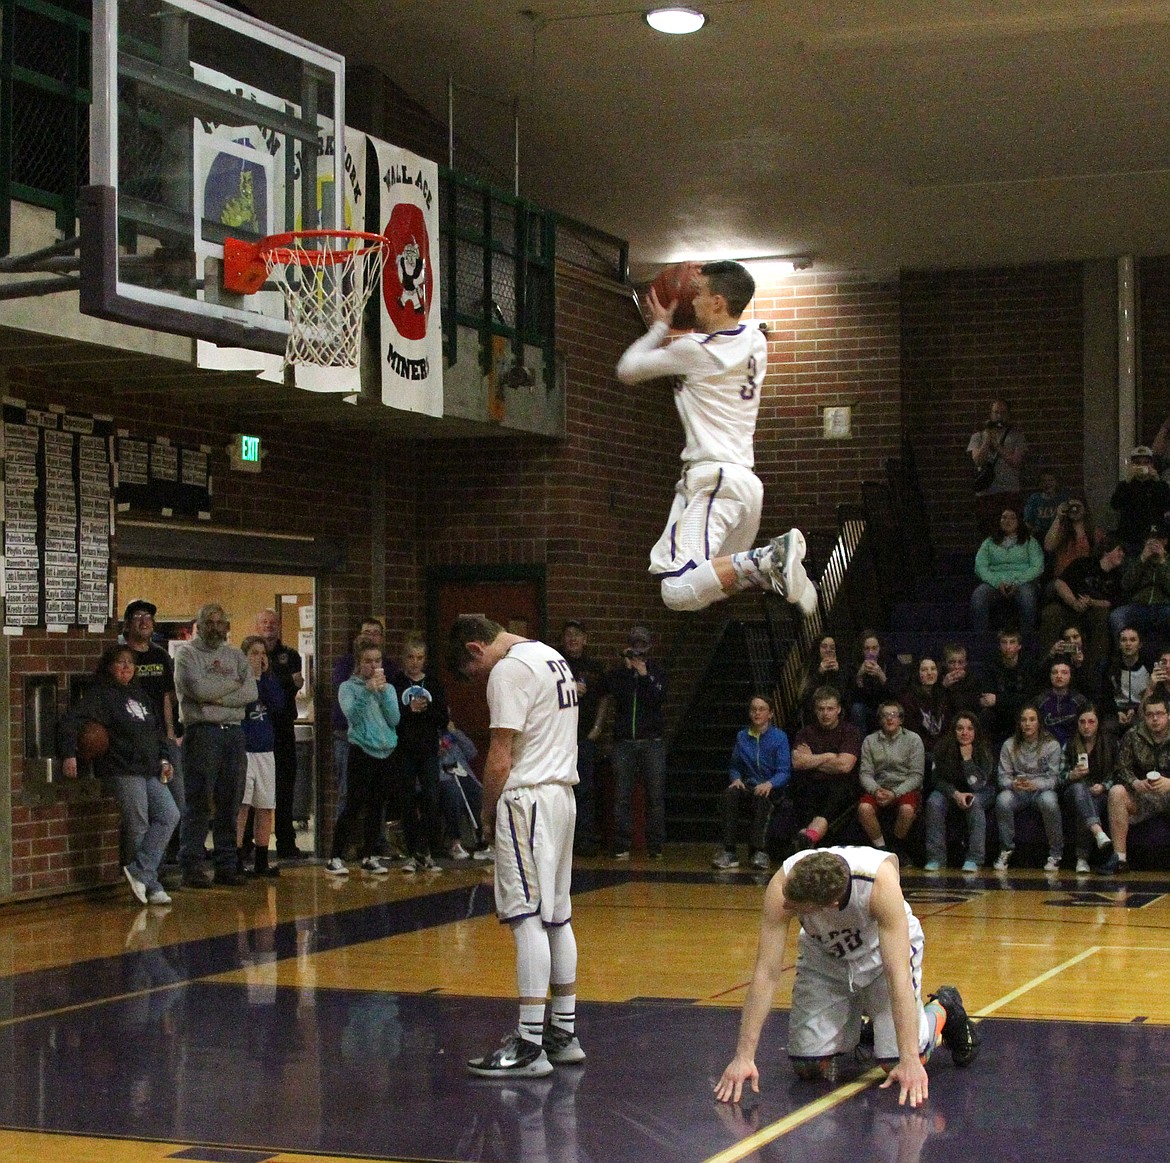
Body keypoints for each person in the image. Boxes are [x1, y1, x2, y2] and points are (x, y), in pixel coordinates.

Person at [614, 260, 816, 616]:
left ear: (718, 302)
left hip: (714, 479)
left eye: (699, 293)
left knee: (676, 590)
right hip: (746, 487)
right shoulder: (755, 340)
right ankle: (777, 573)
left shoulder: (695, 352)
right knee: (709, 587)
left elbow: (627, 370)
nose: (691, 300)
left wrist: (660, 326)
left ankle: (770, 558)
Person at [713, 847, 979, 1108]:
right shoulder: (785, 883)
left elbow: (897, 975)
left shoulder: (879, 885)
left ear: (832, 905)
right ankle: (864, 1028)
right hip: (825, 955)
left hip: (880, 954)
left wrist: (909, 1058)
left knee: (899, 1062)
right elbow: (766, 973)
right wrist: (743, 1056)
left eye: (795, 906)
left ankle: (943, 1009)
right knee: (809, 1066)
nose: (785, 905)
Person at [448, 614, 583, 1078]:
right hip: (562, 795)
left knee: (525, 917)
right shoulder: (553, 656)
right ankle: (562, 1031)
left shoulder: (509, 668)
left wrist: (487, 813)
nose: (481, 680)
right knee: (557, 915)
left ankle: (528, 1044)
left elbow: (500, 756)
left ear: (475, 649)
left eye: (474, 673)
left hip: (527, 799)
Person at [60, 645, 178, 905]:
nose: (126, 667)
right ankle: (151, 884)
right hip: (122, 768)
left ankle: (140, 872)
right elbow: (71, 721)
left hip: (149, 767)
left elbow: (156, 731)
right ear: (109, 667)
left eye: (130, 663)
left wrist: (164, 758)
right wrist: (69, 753)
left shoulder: (142, 695)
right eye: (120, 662)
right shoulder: (100, 696)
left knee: (170, 814)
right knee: (138, 824)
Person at [174, 604, 257, 888]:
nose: (215, 627)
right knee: (198, 802)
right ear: (198, 624)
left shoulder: (235, 655)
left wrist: (217, 699)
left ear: (227, 627)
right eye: (209, 622)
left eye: (220, 622)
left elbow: (251, 692)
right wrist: (230, 686)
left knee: (230, 802)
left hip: (233, 734)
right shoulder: (187, 654)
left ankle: (226, 865)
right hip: (202, 733)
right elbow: (198, 690)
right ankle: (192, 866)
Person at [325, 636, 400, 876]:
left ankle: (369, 855)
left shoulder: (387, 688)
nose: (374, 666)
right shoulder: (347, 688)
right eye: (368, 661)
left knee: (377, 805)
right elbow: (352, 717)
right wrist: (367, 692)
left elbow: (394, 719)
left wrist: (383, 693)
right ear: (359, 662)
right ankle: (335, 856)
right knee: (354, 803)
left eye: (378, 661)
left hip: (385, 750)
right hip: (361, 749)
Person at [119, 598, 184, 871]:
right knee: (141, 814)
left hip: (163, 740)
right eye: (138, 617)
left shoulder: (160, 656)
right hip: (135, 743)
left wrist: (172, 735)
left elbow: (168, 698)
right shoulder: (121, 658)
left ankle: (157, 863)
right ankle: (142, 870)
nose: (144, 621)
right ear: (128, 624)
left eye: (148, 616)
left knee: (176, 806)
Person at [604, 625, 668, 859]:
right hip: (624, 743)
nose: (638, 649)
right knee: (622, 795)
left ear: (649, 647)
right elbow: (611, 692)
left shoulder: (657, 672)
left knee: (655, 795)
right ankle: (622, 844)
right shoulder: (620, 674)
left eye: (642, 645)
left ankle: (655, 845)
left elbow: (659, 698)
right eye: (635, 645)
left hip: (652, 741)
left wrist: (644, 676)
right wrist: (627, 670)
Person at [389, 633, 449, 872]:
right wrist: (408, 709)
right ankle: (413, 851)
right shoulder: (397, 684)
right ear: (405, 659)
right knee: (406, 800)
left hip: (427, 750)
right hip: (404, 750)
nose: (415, 662)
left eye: (420, 657)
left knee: (431, 798)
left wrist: (426, 708)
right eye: (411, 657)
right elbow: (391, 717)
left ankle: (425, 849)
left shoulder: (433, 684)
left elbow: (443, 718)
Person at [712, 695, 791, 871]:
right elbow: (735, 766)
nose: (757, 713)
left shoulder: (779, 737)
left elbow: (784, 771)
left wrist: (770, 783)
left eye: (762, 709)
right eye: (754, 709)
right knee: (730, 794)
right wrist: (736, 779)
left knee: (763, 799)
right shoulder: (742, 736)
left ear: (770, 713)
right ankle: (729, 850)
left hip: (771, 786)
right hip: (749, 784)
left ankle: (759, 851)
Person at [255, 609, 305, 862]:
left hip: (284, 727)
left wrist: (276, 680)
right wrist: (286, 681)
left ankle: (286, 843)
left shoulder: (291, 655)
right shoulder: (250, 653)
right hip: (258, 728)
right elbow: (288, 682)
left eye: (273, 623)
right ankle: (249, 845)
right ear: (257, 626)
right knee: (254, 790)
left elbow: (297, 682)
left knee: (285, 786)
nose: (269, 626)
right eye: (264, 622)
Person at [1102, 694, 1170, 875]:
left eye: (1160, 714)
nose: (1155, 719)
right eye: (1150, 715)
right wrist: (1135, 782)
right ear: (1144, 716)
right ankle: (1120, 858)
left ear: (1168, 715)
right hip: (1144, 794)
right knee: (1116, 792)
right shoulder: (1133, 735)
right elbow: (1121, 768)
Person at [789, 687, 863, 851]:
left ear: (838, 709)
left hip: (841, 785)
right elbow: (798, 762)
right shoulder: (805, 732)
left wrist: (812, 759)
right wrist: (829, 756)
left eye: (830, 709)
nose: (825, 713)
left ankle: (807, 839)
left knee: (835, 795)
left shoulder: (850, 732)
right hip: (811, 784)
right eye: (821, 709)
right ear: (815, 711)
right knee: (803, 789)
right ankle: (807, 838)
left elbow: (844, 766)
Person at [1038, 538, 1126, 675]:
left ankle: (1093, 670)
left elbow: (1111, 602)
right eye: (1119, 550)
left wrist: (1091, 602)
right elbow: (1059, 583)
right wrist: (1074, 602)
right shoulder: (1083, 563)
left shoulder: (1117, 577)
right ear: (1106, 551)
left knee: (1102, 616)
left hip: (1093, 611)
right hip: (1068, 605)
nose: (1122, 554)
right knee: (1051, 612)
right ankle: (1047, 662)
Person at [994, 704, 1063, 871]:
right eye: (1024, 720)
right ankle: (1006, 849)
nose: (1027, 724)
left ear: (1039, 723)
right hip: (1018, 790)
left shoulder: (1051, 745)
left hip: (1041, 790)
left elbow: (1055, 779)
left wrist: (1036, 784)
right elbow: (1002, 777)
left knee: (1050, 802)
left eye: (1032, 720)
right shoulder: (1009, 745)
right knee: (1002, 800)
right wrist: (1013, 784)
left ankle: (1056, 853)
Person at [923, 712, 996, 872]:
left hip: (982, 791)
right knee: (934, 802)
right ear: (953, 731)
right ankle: (936, 858)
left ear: (976, 731)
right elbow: (936, 780)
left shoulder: (984, 749)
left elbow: (978, 785)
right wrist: (955, 794)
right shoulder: (942, 747)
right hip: (952, 790)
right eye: (960, 728)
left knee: (974, 803)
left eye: (970, 728)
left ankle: (974, 859)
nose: (965, 733)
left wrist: (967, 760)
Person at [236, 635, 283, 878]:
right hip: (245, 749)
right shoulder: (239, 680)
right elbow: (244, 702)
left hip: (265, 750)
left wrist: (264, 676)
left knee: (265, 805)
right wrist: (252, 677)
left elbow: (277, 703)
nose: (259, 657)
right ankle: (236, 857)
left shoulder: (269, 680)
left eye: (262, 653)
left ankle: (262, 859)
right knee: (242, 805)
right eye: (253, 653)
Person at [560, 620, 608, 856]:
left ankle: (585, 840)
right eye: (568, 635)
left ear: (585, 639)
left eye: (577, 635)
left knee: (585, 789)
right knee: (560, 790)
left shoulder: (594, 667)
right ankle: (562, 842)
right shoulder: (555, 664)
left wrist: (597, 728)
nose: (572, 639)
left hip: (584, 737)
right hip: (559, 738)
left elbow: (603, 698)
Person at [330, 617, 384, 825]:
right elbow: (348, 705)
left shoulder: (387, 666)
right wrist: (368, 687)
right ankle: (343, 844)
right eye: (366, 632)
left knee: (377, 795)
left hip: (377, 738)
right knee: (347, 791)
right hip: (348, 736)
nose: (370, 637)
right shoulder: (345, 665)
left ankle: (375, 843)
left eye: (375, 632)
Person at [857, 701, 924, 860]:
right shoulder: (869, 741)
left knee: (907, 810)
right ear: (880, 720)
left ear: (901, 719)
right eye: (885, 716)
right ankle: (882, 848)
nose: (889, 719)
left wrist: (895, 793)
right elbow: (865, 773)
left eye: (894, 715)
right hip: (878, 787)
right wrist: (876, 790)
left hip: (903, 787)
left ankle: (896, 847)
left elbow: (916, 776)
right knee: (864, 808)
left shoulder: (913, 740)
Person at [971, 506, 1044, 633]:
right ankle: (980, 640)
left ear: (1019, 522)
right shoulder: (989, 542)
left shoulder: (1030, 542)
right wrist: (997, 582)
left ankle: (1026, 641)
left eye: (1012, 518)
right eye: (1004, 518)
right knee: (978, 596)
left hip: (1023, 582)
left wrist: (1017, 582)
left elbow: (1037, 567)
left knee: (1028, 597)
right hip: (995, 583)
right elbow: (980, 566)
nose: (1007, 521)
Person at [1061, 707, 1115, 873]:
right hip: (1074, 791)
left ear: (1098, 724)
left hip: (1101, 793)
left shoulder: (1110, 744)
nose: (1086, 726)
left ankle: (1082, 858)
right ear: (1077, 724)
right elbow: (1058, 778)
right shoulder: (1069, 745)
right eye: (1082, 722)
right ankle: (1098, 833)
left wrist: (1105, 786)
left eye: (1091, 721)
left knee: (1085, 807)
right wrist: (1072, 774)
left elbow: (1119, 773)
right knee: (1079, 792)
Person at [438, 723, 493, 860]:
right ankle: (455, 843)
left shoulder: (452, 734)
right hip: (443, 777)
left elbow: (472, 752)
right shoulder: (427, 735)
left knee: (479, 793)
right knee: (453, 794)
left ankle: (485, 839)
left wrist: (455, 732)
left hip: (463, 774)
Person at [1108, 525, 1170, 646]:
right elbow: (1125, 584)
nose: (1153, 544)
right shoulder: (1136, 559)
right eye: (1150, 540)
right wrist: (1142, 560)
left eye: (1157, 540)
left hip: (1164, 607)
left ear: (1165, 541)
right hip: (1139, 607)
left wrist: (1162, 562)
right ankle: (1122, 659)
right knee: (1117, 616)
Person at [978, 629, 1038, 747]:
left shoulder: (1029, 664)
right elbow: (988, 698)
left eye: (1012, 642)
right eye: (1004, 642)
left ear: (1019, 646)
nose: (1008, 646)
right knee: (985, 715)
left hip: (1020, 711)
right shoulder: (991, 664)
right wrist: (1008, 700)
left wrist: (999, 700)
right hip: (998, 713)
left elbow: (1029, 697)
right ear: (999, 646)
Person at [968, 398, 1026, 515]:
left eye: (1003, 413)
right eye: (996, 412)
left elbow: (1016, 462)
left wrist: (997, 445)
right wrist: (987, 439)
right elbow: (978, 461)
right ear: (991, 414)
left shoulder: (1017, 436)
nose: (999, 416)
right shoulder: (978, 436)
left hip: (1009, 490)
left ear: (1008, 414)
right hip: (986, 492)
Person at [1110, 446, 1170, 553]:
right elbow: (1115, 504)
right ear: (1132, 465)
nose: (1142, 466)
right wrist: (1128, 481)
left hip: (1153, 538)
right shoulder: (1125, 485)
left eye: (1146, 462)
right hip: (1129, 539)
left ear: (1152, 465)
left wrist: (1157, 481)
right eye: (1138, 463)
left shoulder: (1160, 485)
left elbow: (1167, 505)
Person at [899, 657, 951, 766]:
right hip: (920, 750)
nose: (929, 673)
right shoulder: (908, 699)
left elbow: (947, 728)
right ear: (917, 674)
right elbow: (912, 733)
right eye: (924, 670)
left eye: (933, 669)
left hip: (941, 748)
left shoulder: (943, 696)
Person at [1102, 625, 1151, 737]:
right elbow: (1105, 696)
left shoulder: (1148, 667)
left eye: (1132, 640)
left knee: (1140, 727)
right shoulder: (1110, 668)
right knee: (1106, 727)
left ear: (1140, 644)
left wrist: (1135, 710)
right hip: (1116, 710)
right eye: (1124, 640)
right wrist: (1116, 712)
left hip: (1140, 710)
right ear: (1119, 644)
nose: (1128, 644)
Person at [849, 629, 896, 736]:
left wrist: (882, 676)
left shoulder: (890, 664)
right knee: (857, 709)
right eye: (867, 649)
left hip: (887, 705)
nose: (871, 653)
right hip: (866, 709)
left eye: (874, 648)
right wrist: (859, 677)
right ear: (861, 650)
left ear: (880, 649)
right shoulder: (854, 666)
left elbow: (895, 694)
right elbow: (852, 699)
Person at [1036, 660, 1090, 748]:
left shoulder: (1080, 701)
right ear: (1050, 676)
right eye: (1055, 672)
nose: (1059, 676)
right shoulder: (1039, 701)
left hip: (1073, 748)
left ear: (1070, 676)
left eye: (1064, 673)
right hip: (1045, 747)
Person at [799, 634, 849, 723]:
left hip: (837, 712)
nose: (828, 650)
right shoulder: (808, 668)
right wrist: (819, 673)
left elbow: (845, 698)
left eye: (832, 648)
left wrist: (838, 674)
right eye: (824, 647)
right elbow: (804, 698)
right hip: (814, 711)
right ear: (818, 649)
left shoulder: (843, 668)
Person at [1023, 469, 1070, 543]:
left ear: (1056, 482)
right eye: (1044, 481)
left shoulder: (1062, 498)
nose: (1047, 483)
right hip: (1039, 535)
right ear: (1040, 484)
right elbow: (1028, 521)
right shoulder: (1034, 499)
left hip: (1058, 534)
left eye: (1051, 480)